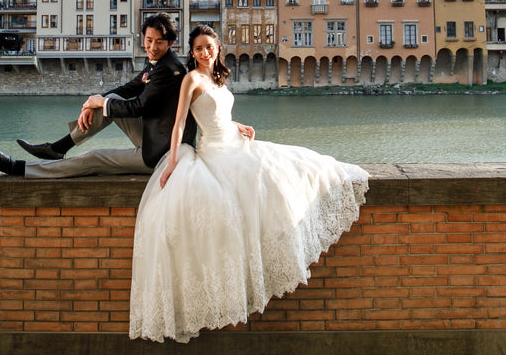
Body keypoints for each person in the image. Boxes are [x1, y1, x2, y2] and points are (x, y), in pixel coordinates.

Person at [128, 24, 368, 343]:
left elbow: (218, 115)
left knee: (294, 166)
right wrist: (172, 163)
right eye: (198, 48)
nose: (204, 52)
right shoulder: (191, 79)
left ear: (217, 49)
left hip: (234, 142)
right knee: (262, 181)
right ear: (192, 51)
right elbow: (181, 124)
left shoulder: (217, 78)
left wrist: (237, 125)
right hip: (215, 152)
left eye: (208, 47)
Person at [0, 12, 196, 178]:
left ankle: (21, 168)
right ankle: (59, 148)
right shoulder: (158, 61)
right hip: (154, 134)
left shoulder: (169, 69)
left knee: (95, 158)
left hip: (161, 153)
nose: (152, 47)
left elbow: (138, 107)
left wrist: (101, 102)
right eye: (149, 40)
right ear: (143, 37)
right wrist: (92, 102)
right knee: (111, 101)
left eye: (159, 42)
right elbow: (129, 88)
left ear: (170, 43)